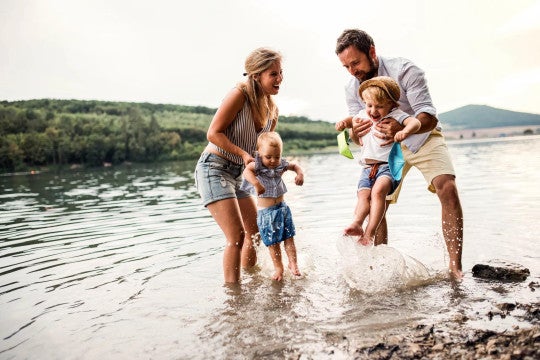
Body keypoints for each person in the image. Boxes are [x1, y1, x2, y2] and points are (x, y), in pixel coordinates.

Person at [335, 29, 464, 279]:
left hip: (422, 136)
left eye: (356, 63)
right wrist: (354, 133)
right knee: (376, 200)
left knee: (447, 186)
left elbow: (427, 114)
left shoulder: (405, 70)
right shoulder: (352, 87)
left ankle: (454, 266)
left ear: (371, 52)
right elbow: (356, 135)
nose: (352, 71)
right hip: (384, 148)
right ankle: (380, 268)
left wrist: (403, 127)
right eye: (346, 66)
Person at [194, 47, 283, 283]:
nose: (280, 79)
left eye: (281, 73)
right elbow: (213, 133)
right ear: (256, 75)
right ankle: (233, 298)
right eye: (273, 74)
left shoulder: (272, 110)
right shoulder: (238, 95)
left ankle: (250, 285)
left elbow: (263, 150)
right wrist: (244, 154)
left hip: (240, 173)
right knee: (236, 236)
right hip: (214, 167)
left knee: (254, 234)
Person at [335, 76, 421, 246]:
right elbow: (349, 120)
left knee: (378, 192)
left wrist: (405, 131)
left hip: (388, 167)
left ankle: (370, 232)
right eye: (369, 105)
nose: (373, 111)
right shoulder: (362, 115)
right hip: (367, 168)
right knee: (363, 196)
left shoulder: (396, 115)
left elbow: (415, 122)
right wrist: (342, 124)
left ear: (391, 105)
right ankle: (357, 224)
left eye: (379, 106)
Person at [242, 131, 304, 281]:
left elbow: (295, 166)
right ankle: (278, 268)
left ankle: (293, 263)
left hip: (283, 208)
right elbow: (246, 172)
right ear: (259, 154)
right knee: (273, 243)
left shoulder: (280, 163)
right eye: (268, 157)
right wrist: (256, 184)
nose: (272, 160)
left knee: (289, 237)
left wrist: (300, 174)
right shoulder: (256, 165)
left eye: (276, 156)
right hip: (267, 212)